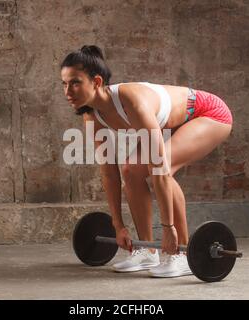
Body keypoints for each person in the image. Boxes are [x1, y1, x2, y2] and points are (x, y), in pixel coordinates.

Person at [60, 45, 233, 278]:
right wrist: (118, 226)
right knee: (131, 170)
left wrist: (168, 228)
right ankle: (146, 251)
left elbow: (159, 170)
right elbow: (109, 174)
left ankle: (181, 255)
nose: (68, 91)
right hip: (175, 122)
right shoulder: (93, 116)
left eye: (75, 82)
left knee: (163, 167)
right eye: (64, 84)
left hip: (209, 114)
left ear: (97, 82)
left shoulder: (132, 101)